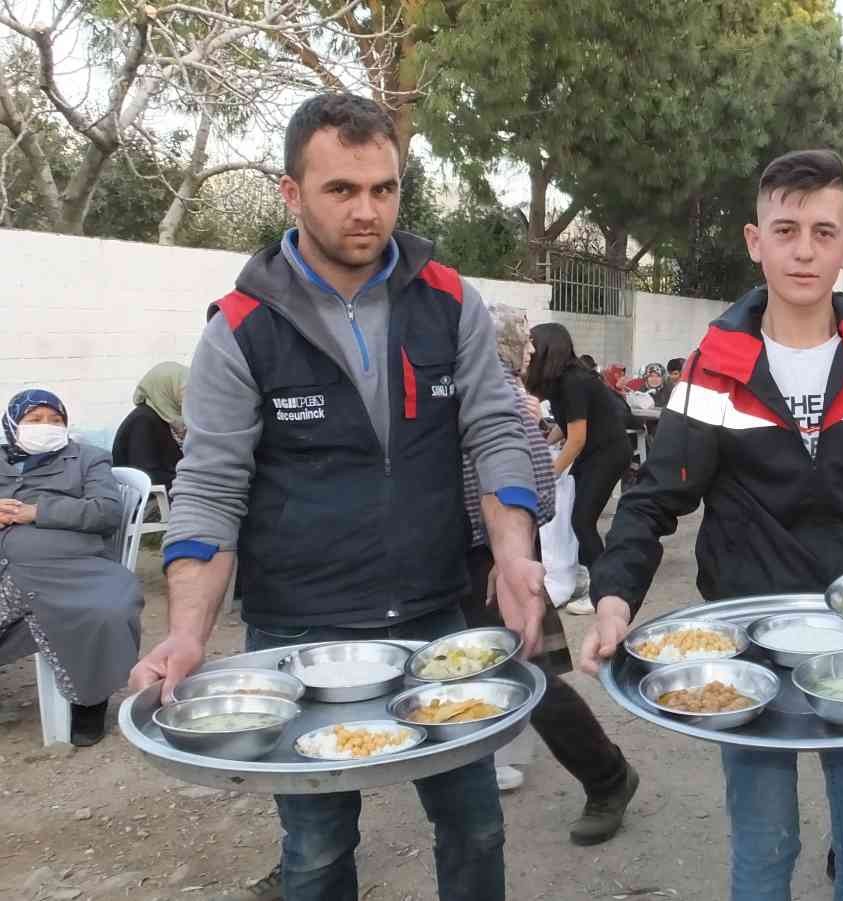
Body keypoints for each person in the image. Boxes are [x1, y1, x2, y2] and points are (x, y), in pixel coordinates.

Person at [128, 93, 546, 901]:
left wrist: (516, 554)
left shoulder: (448, 300)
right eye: (342, 190)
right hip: (300, 628)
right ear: (292, 194)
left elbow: (496, 434)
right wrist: (186, 634)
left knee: (475, 823)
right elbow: (210, 490)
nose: (368, 211)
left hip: (434, 617)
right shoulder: (241, 327)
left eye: (384, 189)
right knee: (317, 848)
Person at [578, 149, 843, 901]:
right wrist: (615, 596)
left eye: (822, 231)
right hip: (745, 640)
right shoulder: (716, 363)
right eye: (786, 229)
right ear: (756, 240)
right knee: (764, 847)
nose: (803, 249)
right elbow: (654, 498)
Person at [459, 303, 641, 839]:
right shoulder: (446, 384)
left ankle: (608, 776)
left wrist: (506, 551)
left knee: (528, 676)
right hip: (444, 558)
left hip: (491, 562)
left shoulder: (506, 398)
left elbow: (536, 480)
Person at [0, 390, 143, 747]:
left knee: (109, 610)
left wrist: (36, 511)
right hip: (9, 566)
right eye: (35, 420)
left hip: (79, 564)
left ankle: (90, 700)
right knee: (39, 605)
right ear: (13, 424)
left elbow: (106, 512)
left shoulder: (88, 459)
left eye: (55, 419)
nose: (46, 427)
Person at [525, 323, 632, 616]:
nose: (530, 351)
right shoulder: (560, 382)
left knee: (582, 520)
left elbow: (577, 439)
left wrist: (549, 475)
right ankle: (584, 573)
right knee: (577, 518)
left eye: (533, 344)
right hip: (593, 453)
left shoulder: (574, 381)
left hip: (608, 453)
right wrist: (543, 446)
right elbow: (565, 424)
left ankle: (602, 591)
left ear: (548, 347)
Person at [112, 361, 189, 489]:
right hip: (150, 501)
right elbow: (147, 475)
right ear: (166, 388)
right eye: (182, 388)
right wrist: (189, 481)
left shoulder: (166, 418)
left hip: (172, 494)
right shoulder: (142, 421)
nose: (188, 395)